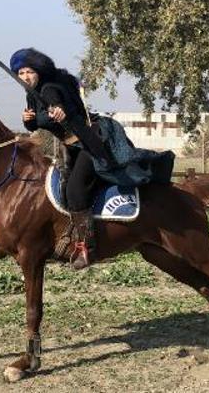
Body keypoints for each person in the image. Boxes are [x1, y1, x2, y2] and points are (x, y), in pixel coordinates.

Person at [11, 48, 175, 269]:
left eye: (29, 71)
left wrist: (60, 112)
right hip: (72, 148)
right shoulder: (32, 92)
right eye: (20, 73)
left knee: (75, 191)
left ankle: (87, 248)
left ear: (38, 70)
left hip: (88, 142)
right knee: (64, 190)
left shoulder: (50, 89)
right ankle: (67, 237)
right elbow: (36, 123)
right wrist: (27, 119)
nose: (25, 77)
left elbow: (63, 108)